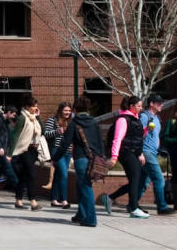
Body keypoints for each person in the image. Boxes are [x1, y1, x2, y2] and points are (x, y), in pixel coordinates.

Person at [53, 97, 103, 227]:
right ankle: (81, 214)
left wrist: (55, 158)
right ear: (88, 108)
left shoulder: (74, 124)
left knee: (85, 188)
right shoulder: (94, 122)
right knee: (81, 187)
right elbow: (100, 142)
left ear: (75, 109)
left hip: (81, 158)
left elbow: (64, 144)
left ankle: (91, 219)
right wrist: (101, 158)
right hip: (94, 159)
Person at [100, 95, 150, 219]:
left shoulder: (135, 119)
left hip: (133, 152)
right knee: (135, 179)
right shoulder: (123, 119)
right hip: (125, 152)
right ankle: (133, 208)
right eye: (138, 106)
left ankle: (110, 198)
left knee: (136, 180)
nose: (141, 108)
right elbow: (118, 138)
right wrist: (114, 156)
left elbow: (136, 138)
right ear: (131, 106)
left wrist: (140, 153)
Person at [136, 94, 175, 215]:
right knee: (159, 179)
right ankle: (162, 207)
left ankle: (132, 204)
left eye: (162, 103)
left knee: (144, 181)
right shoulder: (144, 116)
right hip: (146, 152)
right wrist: (140, 152)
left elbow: (156, 136)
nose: (161, 105)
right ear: (151, 104)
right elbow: (138, 135)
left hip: (153, 152)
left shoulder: (157, 118)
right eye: (159, 103)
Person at [10, 96, 45, 211]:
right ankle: (33, 201)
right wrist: (10, 154)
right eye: (33, 106)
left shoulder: (34, 118)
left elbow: (43, 131)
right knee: (31, 174)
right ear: (26, 106)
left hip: (34, 150)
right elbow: (16, 136)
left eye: (36, 105)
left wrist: (38, 117)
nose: (36, 108)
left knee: (24, 176)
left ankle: (18, 200)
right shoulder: (22, 118)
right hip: (24, 150)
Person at [44, 102, 73, 208]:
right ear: (60, 110)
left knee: (58, 175)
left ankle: (54, 199)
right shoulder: (53, 120)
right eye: (65, 110)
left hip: (68, 152)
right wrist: (57, 131)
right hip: (56, 150)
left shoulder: (71, 122)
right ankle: (64, 200)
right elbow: (46, 133)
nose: (67, 113)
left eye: (69, 111)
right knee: (64, 174)